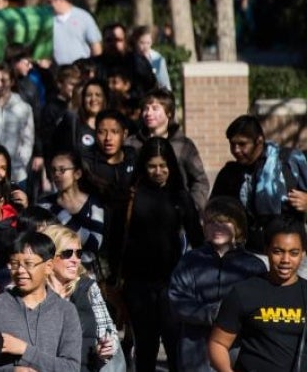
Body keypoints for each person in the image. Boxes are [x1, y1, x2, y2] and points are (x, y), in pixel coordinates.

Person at [110, 137, 202, 372]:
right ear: (143, 166)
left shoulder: (180, 196)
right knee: (146, 346)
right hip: (138, 284)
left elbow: (197, 238)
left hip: (173, 283)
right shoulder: (130, 196)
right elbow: (114, 238)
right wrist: (112, 281)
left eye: (163, 166)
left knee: (175, 346)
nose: (158, 172)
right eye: (152, 166)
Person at [169, 197, 266, 372]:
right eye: (211, 223)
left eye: (224, 223)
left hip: (237, 350)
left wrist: (232, 316)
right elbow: (177, 299)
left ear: (238, 227)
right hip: (196, 350)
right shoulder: (190, 261)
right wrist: (211, 313)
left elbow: (260, 305)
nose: (217, 228)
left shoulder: (253, 266)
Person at [209, 217, 307, 372]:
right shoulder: (244, 292)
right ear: (266, 250)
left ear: (303, 253)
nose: (286, 260)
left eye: (294, 253)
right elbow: (218, 344)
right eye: (278, 252)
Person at [210, 114, 307, 251]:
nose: (236, 150)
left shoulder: (290, 162)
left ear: (259, 141)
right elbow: (213, 210)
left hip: (290, 252)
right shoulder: (230, 173)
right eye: (232, 144)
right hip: (248, 252)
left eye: (242, 144)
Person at [0, 232, 81, 372]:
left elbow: (71, 368)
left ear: (48, 267)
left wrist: (25, 350)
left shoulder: (66, 311)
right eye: (14, 264)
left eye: (28, 264)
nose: (20, 271)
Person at [39, 226, 120, 372]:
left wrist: (106, 347)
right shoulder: (33, 291)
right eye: (67, 253)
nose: (75, 260)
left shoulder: (88, 287)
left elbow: (108, 331)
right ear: (50, 256)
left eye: (78, 253)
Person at [137, 88, 210, 212]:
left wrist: (191, 208)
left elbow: (200, 181)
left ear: (169, 113)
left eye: (155, 108)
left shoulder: (184, 145)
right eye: (146, 108)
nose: (148, 113)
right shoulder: (133, 143)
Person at [39, 150, 108, 273]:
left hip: (86, 272)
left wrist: (60, 213)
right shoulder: (44, 204)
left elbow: (95, 243)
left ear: (77, 174)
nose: (56, 175)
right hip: (54, 271)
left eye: (62, 170)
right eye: (53, 170)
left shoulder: (94, 205)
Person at [47, 0, 103, 65]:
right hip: (58, 69)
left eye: (49, 2)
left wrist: (97, 65)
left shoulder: (83, 16)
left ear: (60, 0)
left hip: (80, 67)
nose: (48, 5)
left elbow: (95, 44)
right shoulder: (48, 20)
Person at [130, 26, 171, 90]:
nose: (145, 46)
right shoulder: (130, 57)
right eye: (142, 43)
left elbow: (164, 82)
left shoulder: (156, 59)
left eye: (148, 43)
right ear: (136, 41)